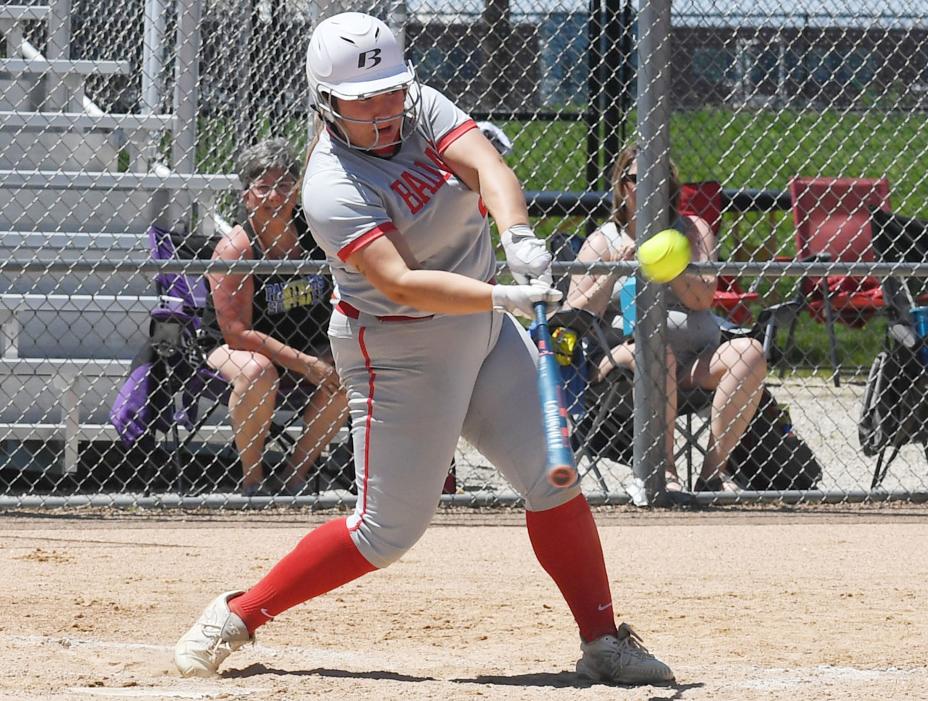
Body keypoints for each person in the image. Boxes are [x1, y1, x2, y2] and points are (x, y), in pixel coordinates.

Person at [174, 12, 673, 686]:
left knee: (552, 483)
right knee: (385, 532)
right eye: (362, 101)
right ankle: (240, 612)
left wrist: (518, 233)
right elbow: (401, 281)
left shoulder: (419, 107)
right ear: (326, 103)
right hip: (399, 349)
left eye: (389, 91)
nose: (382, 111)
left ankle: (602, 640)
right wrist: (499, 297)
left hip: (483, 331)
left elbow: (488, 165)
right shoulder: (329, 187)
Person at [566, 146, 767, 494]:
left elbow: (703, 297)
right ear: (621, 186)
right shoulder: (603, 241)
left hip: (694, 362)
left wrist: (665, 262)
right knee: (656, 350)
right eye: (634, 179)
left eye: (655, 179)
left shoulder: (692, 231)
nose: (645, 187)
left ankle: (713, 475)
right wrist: (615, 270)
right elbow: (575, 312)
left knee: (749, 352)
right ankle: (665, 472)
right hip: (622, 364)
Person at [199, 138, 349, 497]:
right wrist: (306, 364)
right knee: (257, 371)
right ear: (246, 196)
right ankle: (253, 481)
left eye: (284, 186)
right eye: (263, 187)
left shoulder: (315, 233)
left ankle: (295, 476)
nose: (274, 196)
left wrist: (326, 354)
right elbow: (236, 332)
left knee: (352, 368)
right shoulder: (238, 246)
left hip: (306, 342)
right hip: (234, 346)